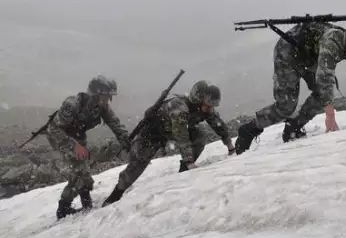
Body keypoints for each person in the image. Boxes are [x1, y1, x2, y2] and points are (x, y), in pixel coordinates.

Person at [234, 17, 346, 154]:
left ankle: (293, 128)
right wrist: (330, 114)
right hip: (287, 54)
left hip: (309, 58)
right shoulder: (333, 40)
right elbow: (324, 75)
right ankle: (249, 129)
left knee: (322, 94)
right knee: (286, 106)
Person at [102, 81, 233, 206]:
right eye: (208, 104)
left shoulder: (205, 108)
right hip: (151, 134)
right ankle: (115, 195)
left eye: (212, 105)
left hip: (168, 132)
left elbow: (217, 124)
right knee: (137, 166)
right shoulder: (179, 106)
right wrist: (189, 160)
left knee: (200, 135)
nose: (210, 108)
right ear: (199, 98)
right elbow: (181, 134)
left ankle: (185, 170)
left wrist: (230, 145)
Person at [45, 75, 130, 219]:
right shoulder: (72, 104)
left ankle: (71, 206)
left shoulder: (101, 107)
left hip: (78, 137)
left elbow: (114, 123)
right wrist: (73, 145)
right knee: (80, 171)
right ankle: (73, 208)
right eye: (106, 96)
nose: (108, 100)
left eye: (109, 97)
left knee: (81, 171)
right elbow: (54, 129)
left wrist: (126, 139)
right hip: (61, 137)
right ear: (96, 94)